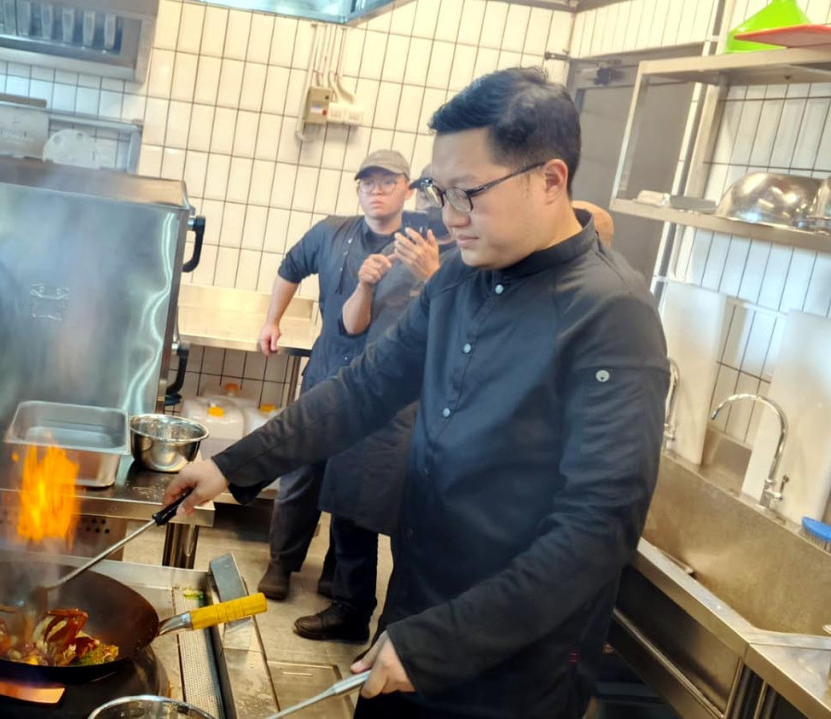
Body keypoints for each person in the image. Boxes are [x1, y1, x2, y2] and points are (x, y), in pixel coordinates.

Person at [167, 67, 668, 717]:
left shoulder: (611, 314)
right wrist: (231, 465)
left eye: (470, 194)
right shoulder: (460, 274)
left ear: (551, 180)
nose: (448, 216)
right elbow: (364, 390)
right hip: (412, 611)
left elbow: (597, 529)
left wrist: (443, 643)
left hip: (512, 669)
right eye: (440, 191)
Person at [252, 150, 436, 643]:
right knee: (303, 474)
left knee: (362, 491)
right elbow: (293, 270)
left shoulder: (430, 241)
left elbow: (461, 298)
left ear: (406, 187)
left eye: (387, 181)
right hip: (330, 376)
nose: (376, 190)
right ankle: (282, 565)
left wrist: (432, 272)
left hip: (395, 396)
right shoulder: (333, 234)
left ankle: (347, 590)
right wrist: (272, 320)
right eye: (368, 182)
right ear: (358, 190)